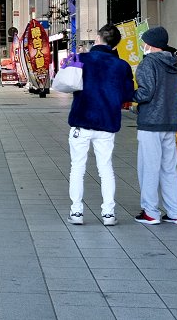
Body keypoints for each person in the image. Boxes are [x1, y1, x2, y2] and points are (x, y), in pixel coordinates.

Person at [65, 24, 136, 226]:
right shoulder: (122, 66)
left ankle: (77, 212)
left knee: (77, 167)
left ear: (97, 39)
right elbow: (127, 95)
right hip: (107, 122)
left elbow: (68, 82)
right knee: (105, 168)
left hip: (82, 120)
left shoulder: (82, 59)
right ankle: (108, 214)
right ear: (115, 45)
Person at [133, 26, 177, 226]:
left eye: (145, 42)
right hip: (171, 122)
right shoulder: (175, 63)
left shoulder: (148, 63)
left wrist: (129, 96)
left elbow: (145, 93)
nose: (143, 46)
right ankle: (176, 212)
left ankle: (150, 212)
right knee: (169, 168)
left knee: (149, 168)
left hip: (151, 122)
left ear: (151, 44)